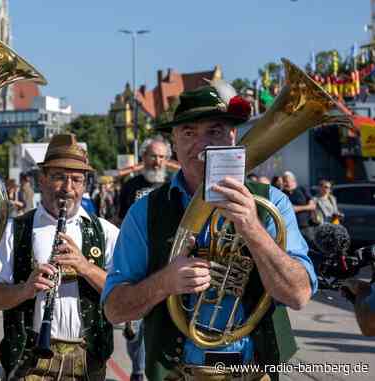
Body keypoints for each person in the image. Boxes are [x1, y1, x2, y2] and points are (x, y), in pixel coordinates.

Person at [103, 83, 317, 381]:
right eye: (188, 132)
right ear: (174, 142)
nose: (201, 144)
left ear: (233, 137)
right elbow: (114, 310)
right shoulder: (145, 212)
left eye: (214, 131)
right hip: (176, 373)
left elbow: (299, 294)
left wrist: (253, 229)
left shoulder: (272, 202)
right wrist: (165, 282)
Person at [0, 133, 120, 381]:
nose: (68, 188)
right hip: (28, 361)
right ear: (42, 180)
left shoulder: (106, 232)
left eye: (77, 180)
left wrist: (85, 267)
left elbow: (123, 297)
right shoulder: (15, 230)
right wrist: (25, 289)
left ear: (84, 185)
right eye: (59, 177)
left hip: (88, 363)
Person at [117, 137, 171, 226]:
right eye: (153, 156)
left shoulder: (174, 185)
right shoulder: (130, 185)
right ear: (144, 157)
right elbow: (121, 218)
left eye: (161, 157)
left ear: (166, 159)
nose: (157, 162)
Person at [282, 171, 317, 245]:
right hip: (291, 228)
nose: (285, 183)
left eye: (286, 181)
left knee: (311, 246)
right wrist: (307, 207)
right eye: (283, 181)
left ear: (293, 180)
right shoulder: (283, 192)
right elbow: (290, 209)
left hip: (306, 226)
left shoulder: (302, 189)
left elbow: (313, 206)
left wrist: (297, 208)